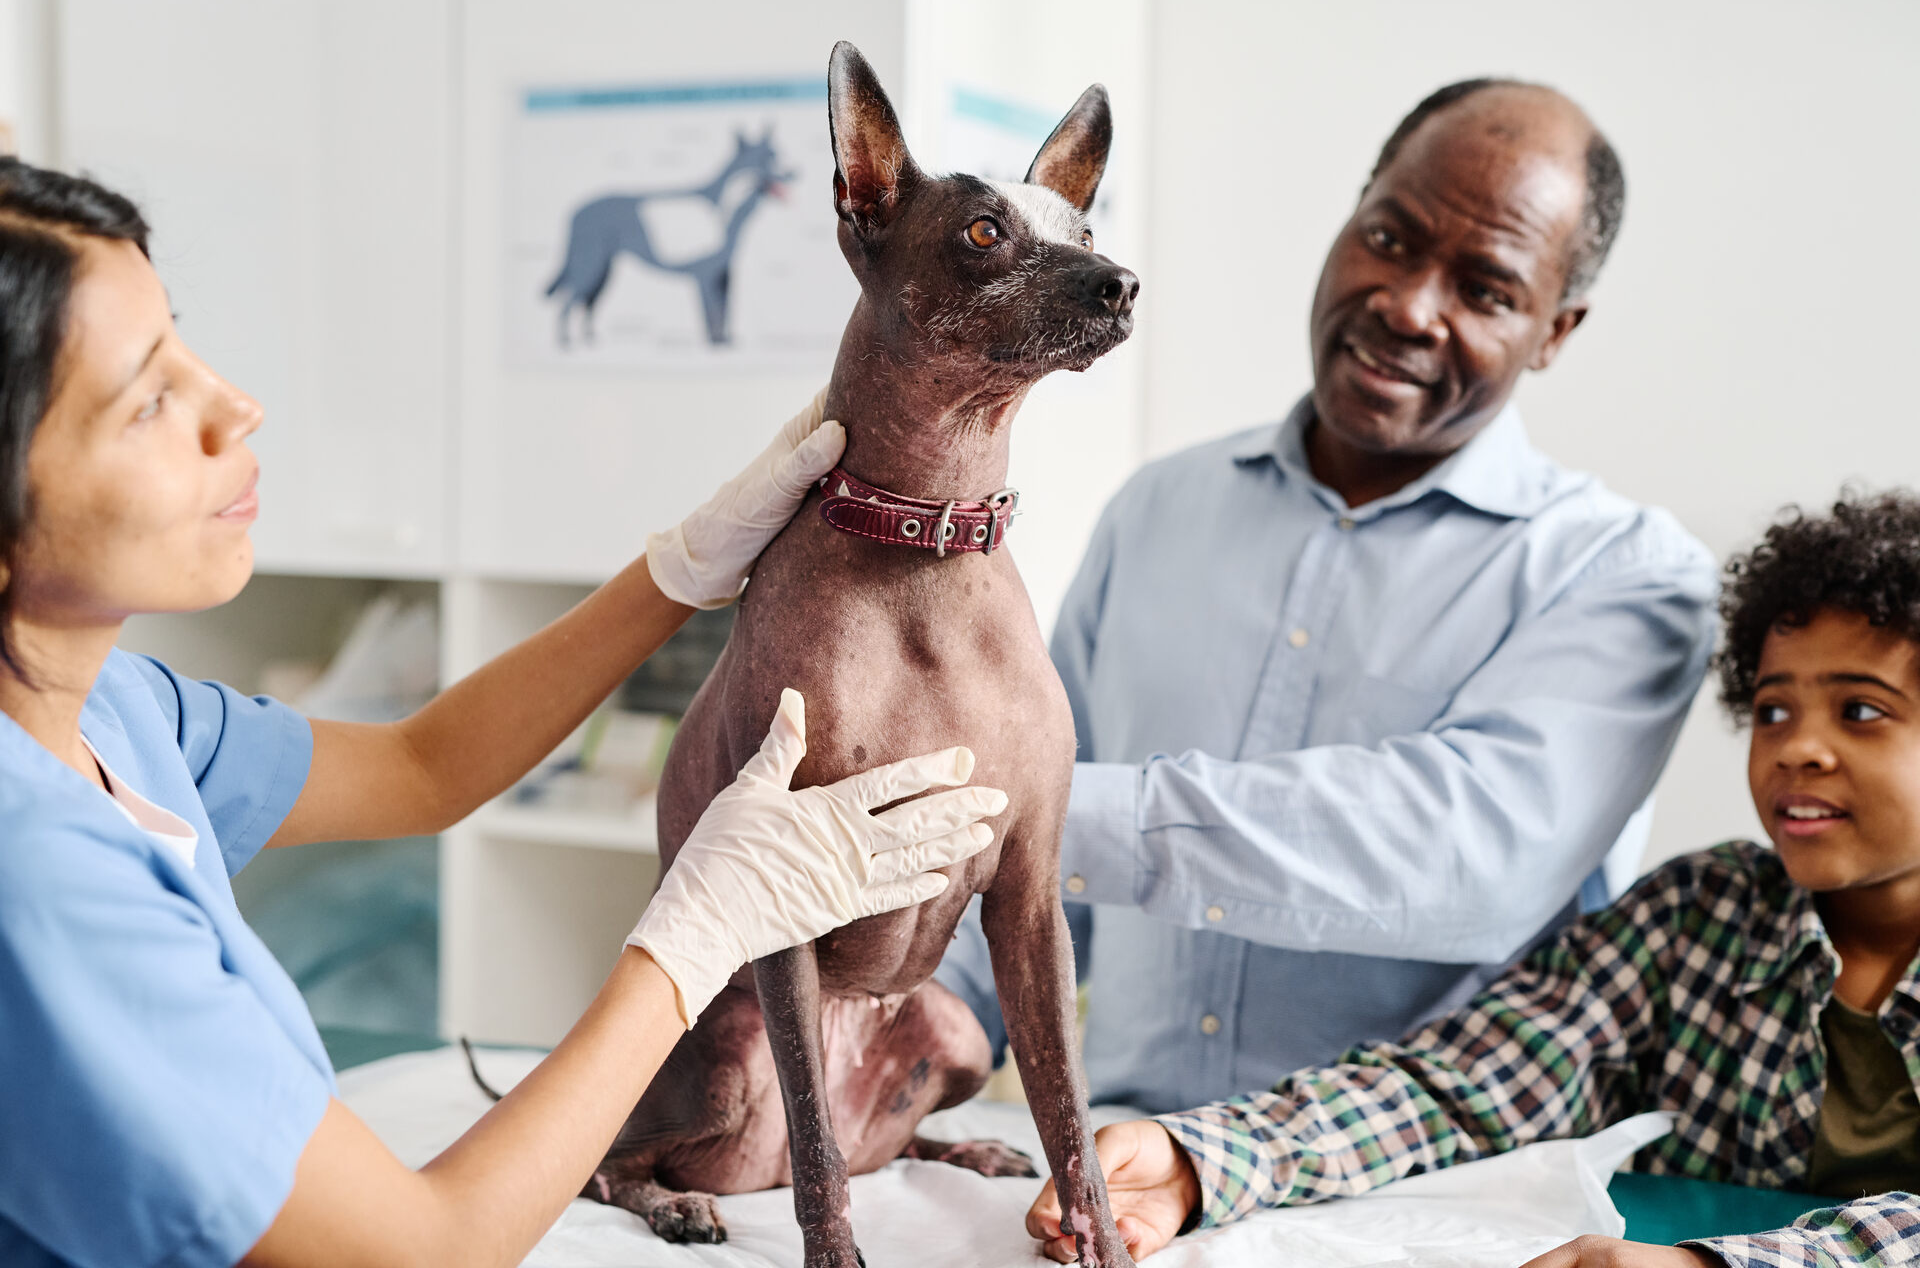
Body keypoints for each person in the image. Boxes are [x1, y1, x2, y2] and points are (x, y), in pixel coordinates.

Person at [0, 158, 1005, 1268]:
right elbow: (419, 1250)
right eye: (147, 399)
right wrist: (692, 937)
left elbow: (423, 767)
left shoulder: (110, 708)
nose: (235, 406)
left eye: (183, 341)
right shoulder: (36, 879)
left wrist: (679, 569)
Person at [938, 77, 1719, 1113]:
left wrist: (1007, 809)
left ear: (1556, 330)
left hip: (1438, 1204)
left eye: (1485, 289)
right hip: (1120, 1168)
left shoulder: (1629, 577)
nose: (1408, 304)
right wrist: (932, 1019)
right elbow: (1030, 873)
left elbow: (1460, 858)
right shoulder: (1160, 509)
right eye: (1391, 237)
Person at [1029, 490, 1920, 1268]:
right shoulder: (1704, 916)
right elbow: (1457, 1085)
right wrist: (1204, 1159)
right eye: (1772, 709)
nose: (1798, 747)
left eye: (1862, 711)